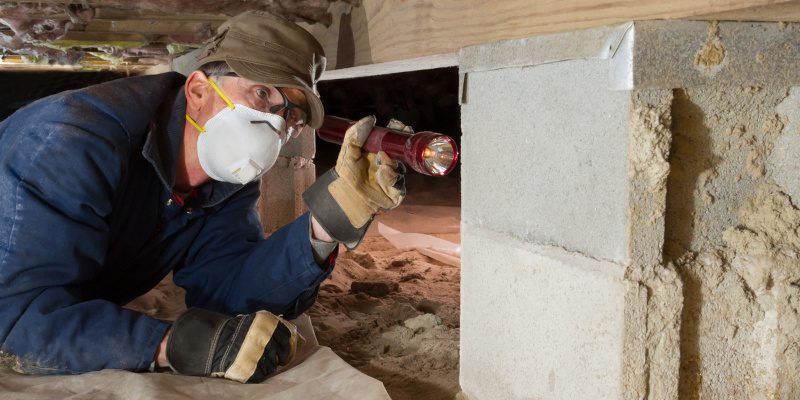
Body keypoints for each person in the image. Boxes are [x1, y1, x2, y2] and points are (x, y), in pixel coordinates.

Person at [0, 10, 404, 383]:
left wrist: (324, 224)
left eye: (291, 114)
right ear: (197, 90)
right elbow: (18, 321)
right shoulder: (69, 143)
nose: (275, 123)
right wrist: (170, 344)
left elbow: (227, 291)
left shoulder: (226, 181)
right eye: (262, 93)